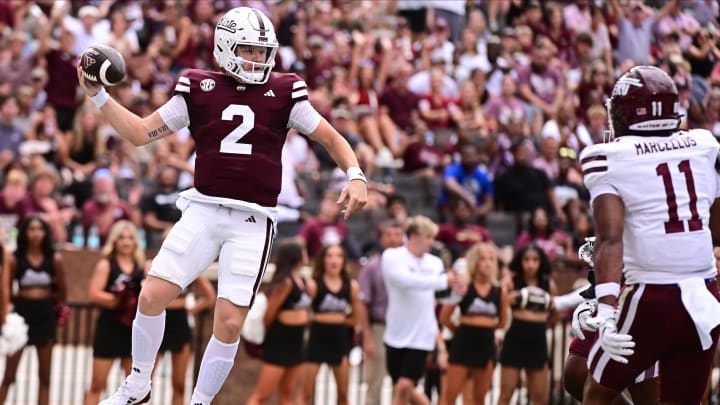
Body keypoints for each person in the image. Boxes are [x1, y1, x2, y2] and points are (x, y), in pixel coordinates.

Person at [77, 7, 367, 405]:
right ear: (227, 48)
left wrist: (355, 174)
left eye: (263, 52)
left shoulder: (285, 92)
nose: (258, 60)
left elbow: (333, 138)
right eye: (249, 50)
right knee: (150, 296)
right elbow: (141, 133)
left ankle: (199, 402)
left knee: (229, 323)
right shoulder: (198, 87)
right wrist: (98, 95)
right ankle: (138, 384)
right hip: (203, 210)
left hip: (253, 219)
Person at [580, 65, 720, 405]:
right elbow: (714, 222)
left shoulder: (608, 157)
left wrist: (607, 309)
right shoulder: (704, 143)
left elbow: (610, 240)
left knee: (594, 394)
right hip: (704, 292)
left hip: (651, 295)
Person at [382, 215, 457, 405]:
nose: (433, 242)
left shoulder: (435, 263)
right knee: (406, 387)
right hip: (395, 333)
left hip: (422, 335)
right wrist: (443, 281)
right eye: (429, 237)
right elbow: (405, 281)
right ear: (415, 236)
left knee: (404, 387)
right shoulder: (392, 256)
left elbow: (441, 295)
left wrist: (458, 289)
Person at [0, 215, 68, 405]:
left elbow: (62, 292)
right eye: (31, 229)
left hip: (45, 316)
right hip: (21, 316)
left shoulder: (54, 259)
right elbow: (6, 288)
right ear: (24, 232)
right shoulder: (15, 259)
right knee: (9, 374)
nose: (36, 233)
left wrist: (46, 300)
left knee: (45, 376)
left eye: (40, 229)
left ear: (46, 232)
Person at [439, 242, 509, 405]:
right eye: (483, 259)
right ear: (474, 262)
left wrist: (484, 328)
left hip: (486, 345)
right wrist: (461, 330)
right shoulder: (464, 287)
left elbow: (502, 322)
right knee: (449, 395)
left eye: (491, 259)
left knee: (479, 398)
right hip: (463, 344)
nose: (487, 263)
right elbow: (444, 317)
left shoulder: (500, 291)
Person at [84, 221, 145, 405]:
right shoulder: (106, 264)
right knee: (97, 384)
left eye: (130, 238)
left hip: (133, 331)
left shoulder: (141, 266)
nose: (126, 242)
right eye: (121, 238)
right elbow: (94, 294)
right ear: (114, 241)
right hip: (109, 328)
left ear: (135, 242)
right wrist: (119, 298)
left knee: (134, 389)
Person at [247, 240, 312, 405]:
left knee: (287, 394)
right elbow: (269, 315)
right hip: (280, 341)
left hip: (297, 341)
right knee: (263, 394)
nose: (306, 255)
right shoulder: (285, 282)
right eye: (303, 251)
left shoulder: (302, 281)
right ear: (295, 256)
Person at [299, 244, 365, 405]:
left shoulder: (351, 287)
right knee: (305, 394)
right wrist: (335, 318)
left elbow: (357, 319)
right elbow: (304, 316)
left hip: (340, 343)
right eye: (329, 255)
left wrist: (330, 318)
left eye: (338, 255)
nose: (334, 260)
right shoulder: (314, 285)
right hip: (316, 342)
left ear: (344, 260)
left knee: (343, 395)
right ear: (323, 260)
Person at [498, 243, 556, 405]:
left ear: (541, 262)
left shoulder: (549, 285)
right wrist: (507, 297)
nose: (530, 264)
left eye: (535, 260)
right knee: (505, 395)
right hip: (515, 338)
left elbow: (554, 316)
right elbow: (499, 308)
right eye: (526, 259)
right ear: (520, 261)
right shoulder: (511, 283)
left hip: (537, 340)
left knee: (540, 398)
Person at [358, 220, 405, 405]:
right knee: (374, 382)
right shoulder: (372, 267)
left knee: (402, 384)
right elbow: (363, 303)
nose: (393, 239)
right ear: (381, 238)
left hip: (404, 328)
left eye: (397, 235)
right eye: (389, 235)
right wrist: (367, 337)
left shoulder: (410, 264)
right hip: (379, 327)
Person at [155, 276, 216, 405]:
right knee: (143, 383)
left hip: (180, 328)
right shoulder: (156, 265)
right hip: (157, 327)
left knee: (179, 384)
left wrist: (192, 309)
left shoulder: (191, 268)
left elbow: (210, 297)